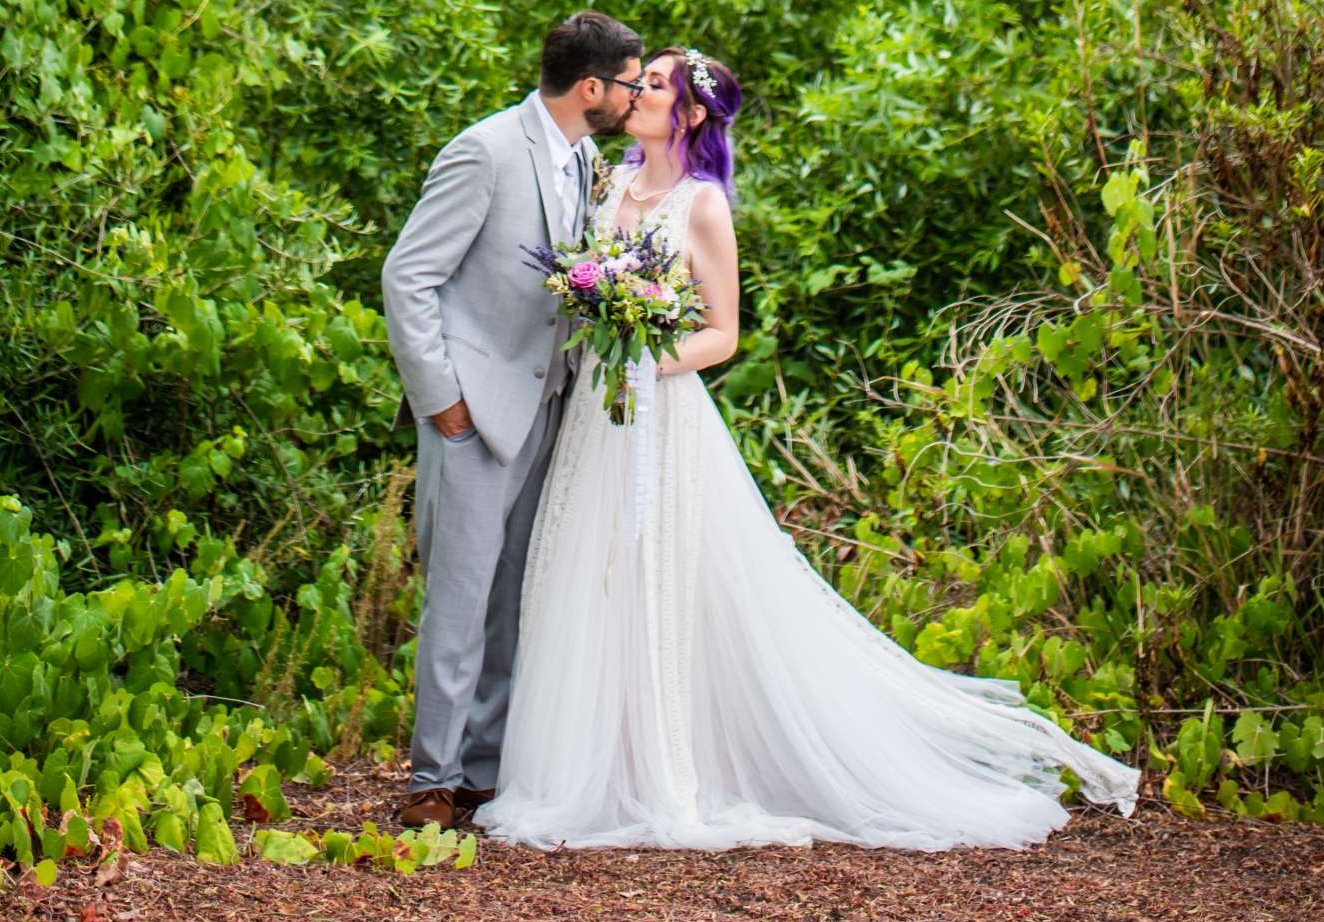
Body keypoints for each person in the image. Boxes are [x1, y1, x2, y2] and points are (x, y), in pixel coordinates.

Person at [476, 45, 1141, 850]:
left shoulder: (701, 206)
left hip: (660, 412)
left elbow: (721, 335)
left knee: (661, 575)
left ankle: (666, 767)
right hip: (594, 413)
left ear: (687, 114)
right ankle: (583, 764)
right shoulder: (605, 184)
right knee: (586, 570)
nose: (638, 91)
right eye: (640, 79)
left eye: (655, 84)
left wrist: (644, 353)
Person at [380, 8, 643, 831]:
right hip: (475, 411)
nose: (636, 97)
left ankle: (485, 772)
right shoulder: (486, 151)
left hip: (551, 410)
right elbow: (407, 276)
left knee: (514, 599)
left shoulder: (587, 160)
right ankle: (433, 776)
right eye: (631, 83)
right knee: (458, 599)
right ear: (591, 86)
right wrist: (444, 402)